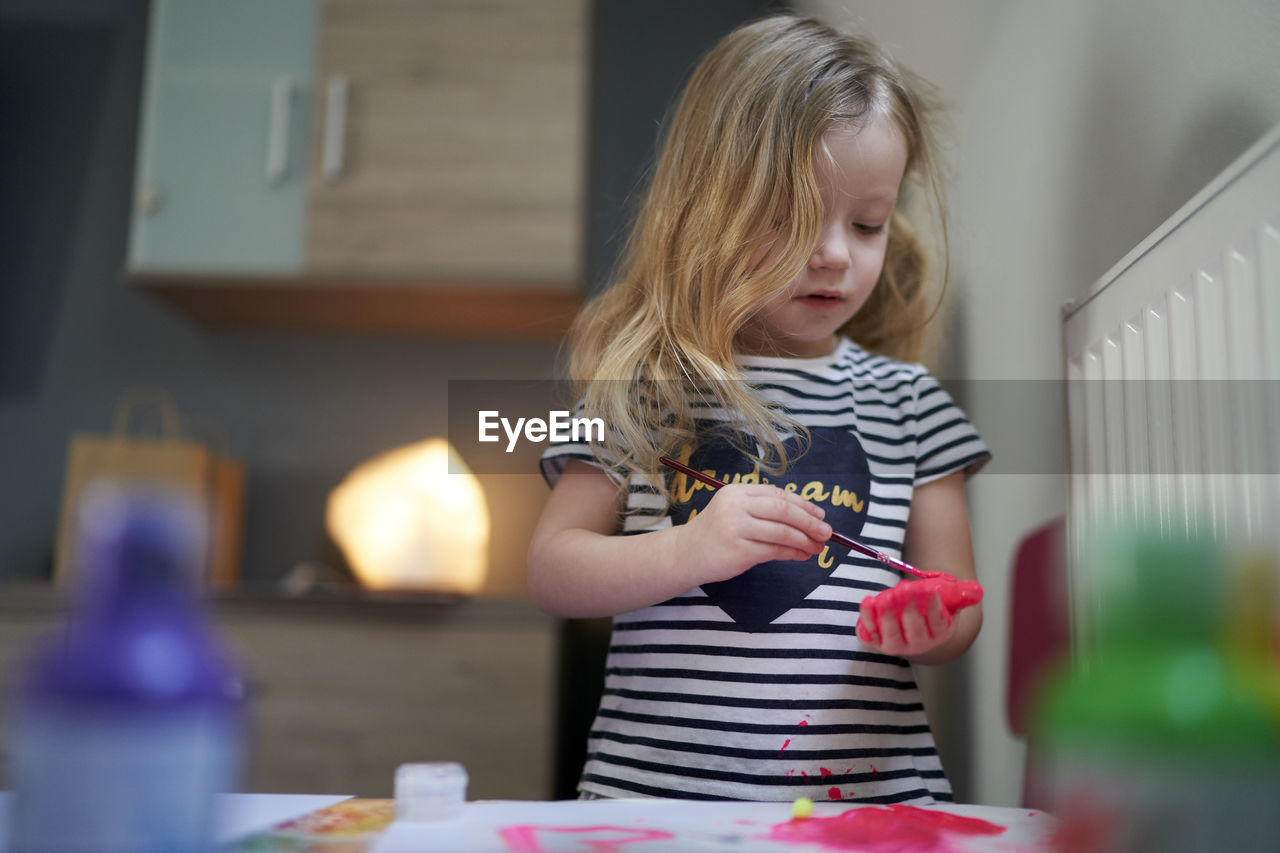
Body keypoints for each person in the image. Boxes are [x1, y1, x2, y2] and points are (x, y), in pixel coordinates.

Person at [528, 13, 990, 804]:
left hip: (867, 803)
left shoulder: (911, 402)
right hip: (657, 802)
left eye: (867, 223)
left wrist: (931, 619)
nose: (836, 253)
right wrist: (691, 549)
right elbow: (552, 568)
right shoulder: (638, 390)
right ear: (708, 209)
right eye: (792, 216)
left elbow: (955, 601)